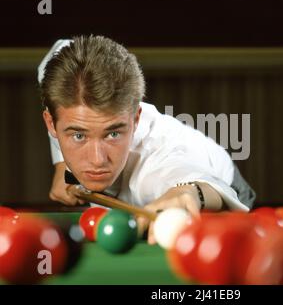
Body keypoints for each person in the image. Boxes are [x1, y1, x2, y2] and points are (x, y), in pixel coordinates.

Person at [39, 35, 255, 243]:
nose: (97, 160)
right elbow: (59, 49)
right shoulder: (63, 78)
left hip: (223, 185)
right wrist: (61, 164)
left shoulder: (159, 163)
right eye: (79, 135)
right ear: (52, 124)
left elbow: (208, 186)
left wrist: (185, 192)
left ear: (135, 119)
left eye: (113, 134)